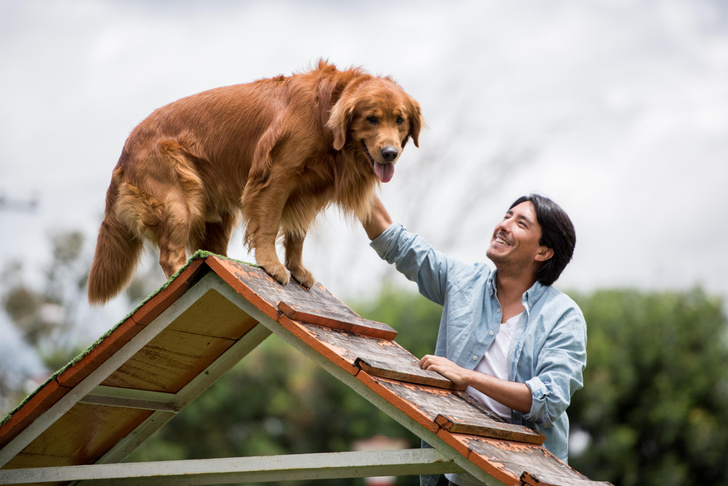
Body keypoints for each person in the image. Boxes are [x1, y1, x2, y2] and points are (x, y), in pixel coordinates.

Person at [360, 193, 587, 486]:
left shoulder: (563, 316)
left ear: (543, 252)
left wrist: (467, 377)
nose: (504, 225)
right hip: (450, 476)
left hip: (522, 476)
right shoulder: (464, 282)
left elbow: (548, 400)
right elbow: (398, 244)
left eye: (521, 223)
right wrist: (353, 178)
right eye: (507, 215)